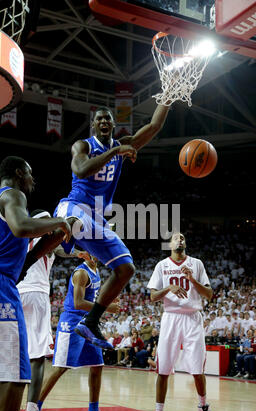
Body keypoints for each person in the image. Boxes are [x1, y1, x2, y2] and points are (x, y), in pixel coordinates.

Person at [53, 103, 171, 349]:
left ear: (114, 125)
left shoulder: (121, 145)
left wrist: (166, 99)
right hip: (75, 206)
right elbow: (81, 169)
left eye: (108, 118)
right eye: (99, 119)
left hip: (97, 218)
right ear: (94, 124)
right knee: (67, 228)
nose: (104, 121)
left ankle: (91, 321)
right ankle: (33, 256)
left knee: (126, 269)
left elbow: (154, 126)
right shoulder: (83, 145)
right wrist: (116, 153)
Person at [0, 156, 71, 411]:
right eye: (29, 173)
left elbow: (26, 258)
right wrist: (57, 220)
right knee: (16, 374)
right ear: (18, 173)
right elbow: (20, 228)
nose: (32, 179)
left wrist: (53, 237)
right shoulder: (13, 194)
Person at [16, 209, 80, 411]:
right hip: (36, 294)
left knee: (11, 359)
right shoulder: (48, 239)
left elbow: (64, 251)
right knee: (37, 358)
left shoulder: (19, 235)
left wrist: (76, 253)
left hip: (13, 292)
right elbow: (62, 247)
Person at [36, 252, 119, 411]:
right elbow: (78, 303)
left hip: (87, 322)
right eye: (92, 248)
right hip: (72, 322)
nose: (96, 251)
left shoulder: (95, 271)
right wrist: (105, 307)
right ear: (84, 254)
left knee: (97, 366)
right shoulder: (81, 273)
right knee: (60, 368)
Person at [145, 232, 215, 411]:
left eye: (183, 237)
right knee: (163, 369)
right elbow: (152, 296)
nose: (180, 239)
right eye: (176, 238)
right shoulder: (161, 266)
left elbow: (209, 294)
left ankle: (204, 408)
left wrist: (191, 279)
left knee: (196, 370)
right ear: (169, 244)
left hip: (193, 317)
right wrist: (169, 287)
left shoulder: (197, 264)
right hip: (170, 318)